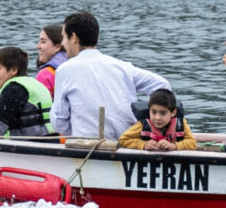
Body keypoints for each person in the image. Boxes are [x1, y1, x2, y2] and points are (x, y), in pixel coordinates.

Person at [49, 11, 170, 141]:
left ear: (73, 37)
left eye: (63, 37)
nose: (62, 43)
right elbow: (162, 86)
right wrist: (149, 122)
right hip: (127, 141)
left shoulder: (65, 70)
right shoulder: (122, 67)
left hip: (88, 144)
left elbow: (58, 120)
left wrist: (77, 131)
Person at [0, 46, 54, 137]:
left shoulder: (13, 90)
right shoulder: (35, 84)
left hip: (29, 146)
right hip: (51, 140)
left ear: (13, 70)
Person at [118, 87, 199, 151]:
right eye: (153, 112)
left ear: (173, 113)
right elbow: (123, 140)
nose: (157, 118)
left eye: (163, 113)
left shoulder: (180, 124)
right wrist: (143, 144)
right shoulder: (142, 125)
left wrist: (174, 146)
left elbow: (192, 143)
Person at [34, 24, 67, 94]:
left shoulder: (45, 75)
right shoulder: (77, 64)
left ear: (57, 47)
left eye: (43, 42)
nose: (37, 46)